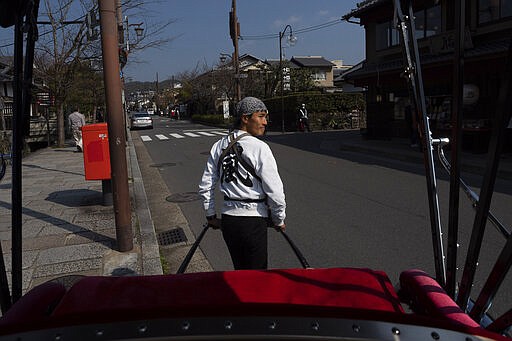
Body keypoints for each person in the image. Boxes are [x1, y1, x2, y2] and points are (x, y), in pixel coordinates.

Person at [198, 96, 286, 270]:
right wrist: (279, 219)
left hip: (229, 221)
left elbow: (206, 184)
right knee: (257, 277)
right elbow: (275, 191)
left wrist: (210, 216)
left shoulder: (219, 145)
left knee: (240, 271)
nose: (265, 122)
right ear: (245, 118)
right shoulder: (259, 147)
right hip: (253, 221)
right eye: (260, 116)